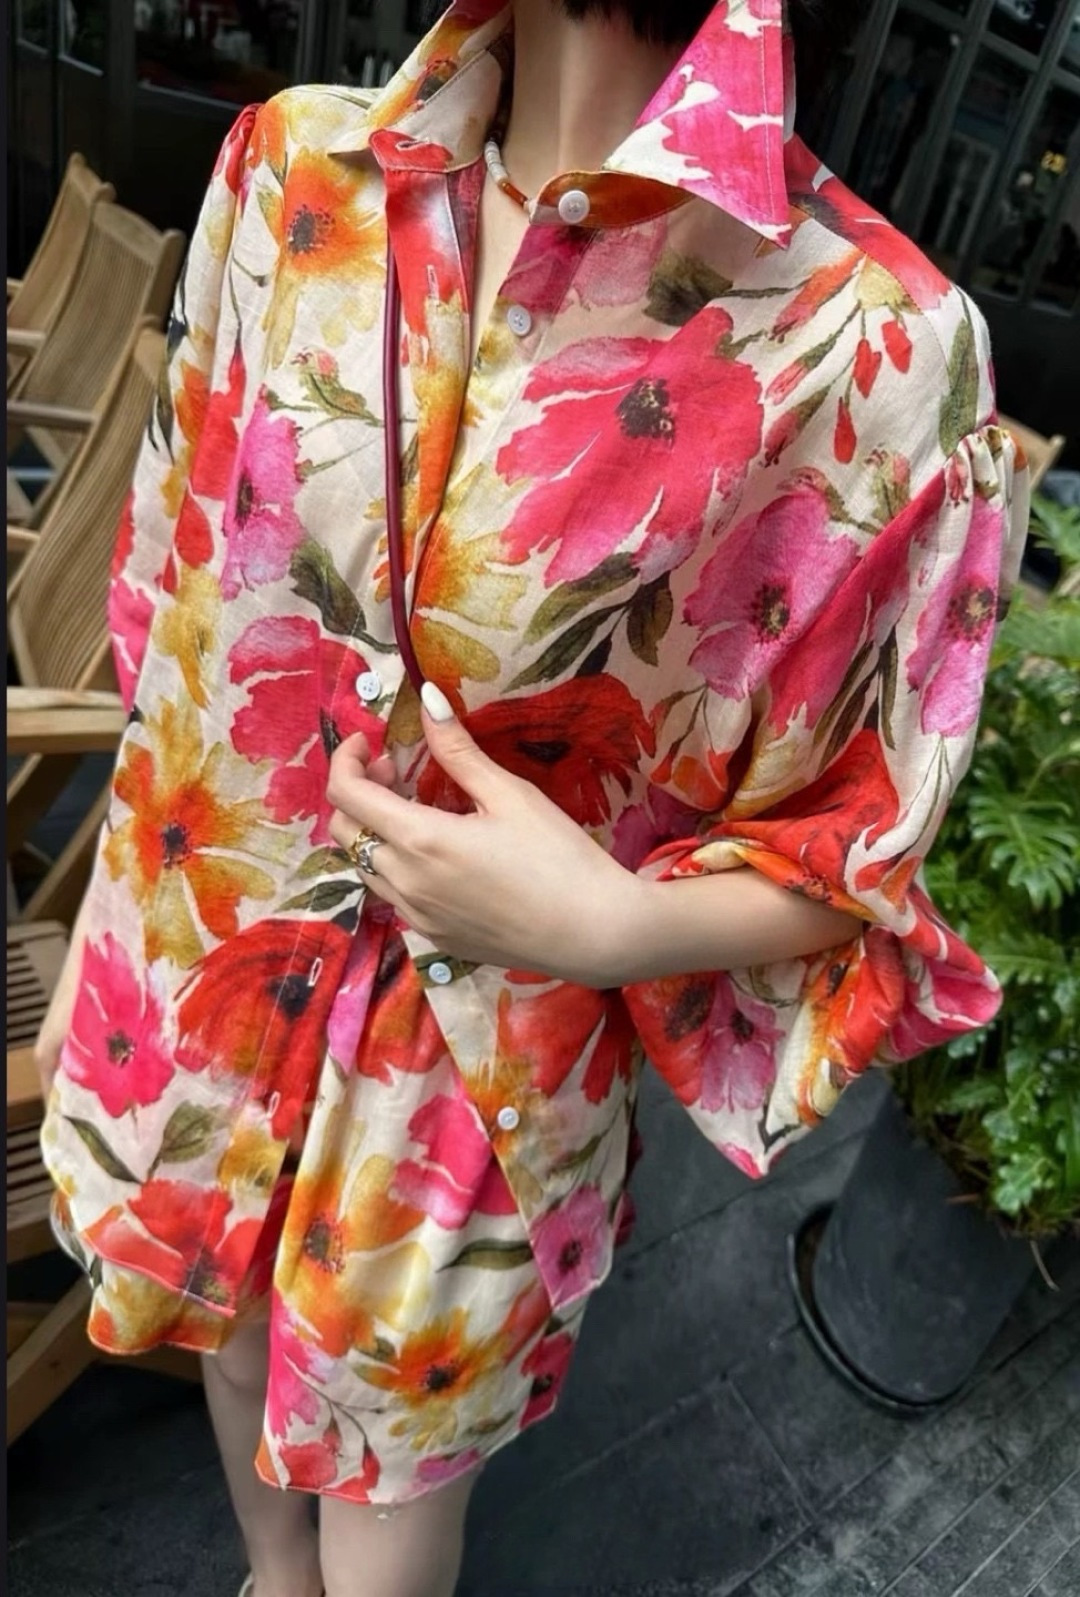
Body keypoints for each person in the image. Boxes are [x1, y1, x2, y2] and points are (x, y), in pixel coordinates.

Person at [35, 3, 1028, 1595]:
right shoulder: (298, 165)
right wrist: (121, 909)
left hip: (475, 1072)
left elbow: (860, 845)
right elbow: (178, 588)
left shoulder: (873, 347)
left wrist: (615, 924)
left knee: (391, 1489)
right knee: (226, 1337)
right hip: (200, 940)